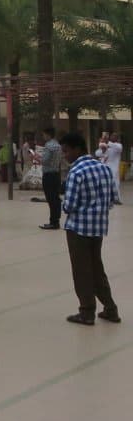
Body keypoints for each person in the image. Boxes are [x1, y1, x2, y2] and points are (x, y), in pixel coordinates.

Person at [59, 132, 121, 325]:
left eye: (66, 151)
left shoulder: (76, 172)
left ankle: (86, 312)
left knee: (82, 271)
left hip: (78, 230)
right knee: (96, 269)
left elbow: (69, 205)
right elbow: (112, 199)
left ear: (77, 149)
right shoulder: (104, 169)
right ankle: (110, 309)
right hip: (98, 229)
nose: (65, 155)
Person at [40, 127, 63, 230]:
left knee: (51, 198)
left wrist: (36, 157)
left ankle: (53, 222)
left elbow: (45, 160)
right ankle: (56, 220)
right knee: (56, 198)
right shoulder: (58, 145)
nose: (43, 136)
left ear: (48, 135)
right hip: (56, 174)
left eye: (44, 134)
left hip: (49, 175)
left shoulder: (48, 146)